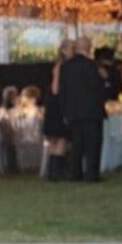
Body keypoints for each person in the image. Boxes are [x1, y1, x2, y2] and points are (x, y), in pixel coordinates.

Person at [57, 35, 107, 182]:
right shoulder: (93, 66)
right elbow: (98, 88)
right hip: (92, 111)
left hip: (73, 112)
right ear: (89, 48)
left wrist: (64, 111)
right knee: (93, 144)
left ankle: (75, 173)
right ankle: (91, 174)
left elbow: (62, 91)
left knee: (77, 144)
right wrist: (103, 79)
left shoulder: (66, 67)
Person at [43, 44, 71, 181]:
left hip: (54, 104)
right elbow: (56, 89)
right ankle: (57, 172)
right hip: (58, 105)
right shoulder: (61, 66)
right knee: (60, 138)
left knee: (55, 139)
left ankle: (53, 171)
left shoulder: (59, 65)